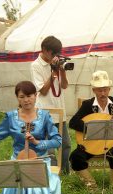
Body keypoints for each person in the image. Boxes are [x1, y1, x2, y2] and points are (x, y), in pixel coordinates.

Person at [30, 35, 71, 175]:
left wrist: (62, 70)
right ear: (45, 50)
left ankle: (65, 172)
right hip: (45, 113)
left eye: (57, 53)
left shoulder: (56, 63)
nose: (55, 56)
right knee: (50, 148)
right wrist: (53, 72)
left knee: (65, 145)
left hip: (60, 111)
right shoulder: (36, 65)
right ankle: (52, 174)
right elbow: (42, 90)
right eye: (53, 53)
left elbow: (64, 86)